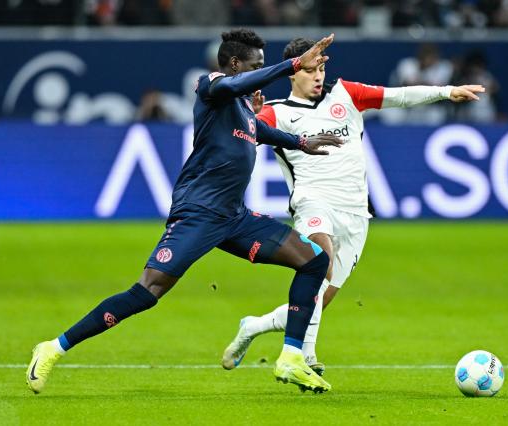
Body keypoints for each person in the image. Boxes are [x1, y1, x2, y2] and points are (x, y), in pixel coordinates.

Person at [26, 29, 342, 395]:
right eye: (255, 66)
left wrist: (302, 142)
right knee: (148, 292)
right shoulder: (211, 86)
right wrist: (292, 64)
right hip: (199, 213)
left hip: (234, 217)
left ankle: (291, 357)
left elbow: (260, 131)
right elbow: (230, 88)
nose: (260, 73)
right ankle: (53, 347)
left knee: (314, 260)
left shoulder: (242, 108)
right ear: (236, 65)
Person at [221, 37, 484, 375]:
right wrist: (250, 117)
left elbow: (397, 96)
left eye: (322, 68)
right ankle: (304, 356)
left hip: (357, 213)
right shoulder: (278, 112)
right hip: (313, 202)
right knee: (320, 262)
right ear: (293, 73)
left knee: (319, 299)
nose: (319, 76)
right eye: (312, 70)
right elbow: (244, 132)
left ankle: (255, 326)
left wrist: (447, 92)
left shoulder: (345, 94)